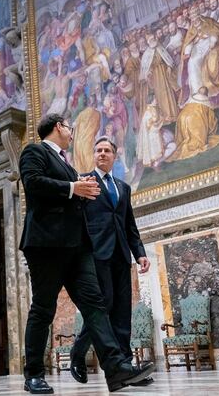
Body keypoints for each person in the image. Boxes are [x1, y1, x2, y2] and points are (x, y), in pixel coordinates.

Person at [18, 113, 155, 394]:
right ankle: (33, 374)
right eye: (70, 128)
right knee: (44, 308)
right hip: (46, 245)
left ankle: (116, 369)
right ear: (59, 127)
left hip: (78, 248)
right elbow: (32, 184)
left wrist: (79, 192)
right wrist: (73, 188)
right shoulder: (36, 151)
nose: (72, 133)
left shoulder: (68, 165)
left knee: (95, 307)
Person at [69, 137, 153, 386]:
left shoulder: (122, 187)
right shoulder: (84, 182)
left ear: (114, 157)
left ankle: (125, 368)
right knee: (102, 306)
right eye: (98, 150)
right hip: (96, 254)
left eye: (107, 151)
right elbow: (76, 219)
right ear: (93, 155)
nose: (102, 154)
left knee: (121, 311)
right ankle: (78, 352)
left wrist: (139, 253)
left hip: (121, 254)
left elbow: (129, 224)